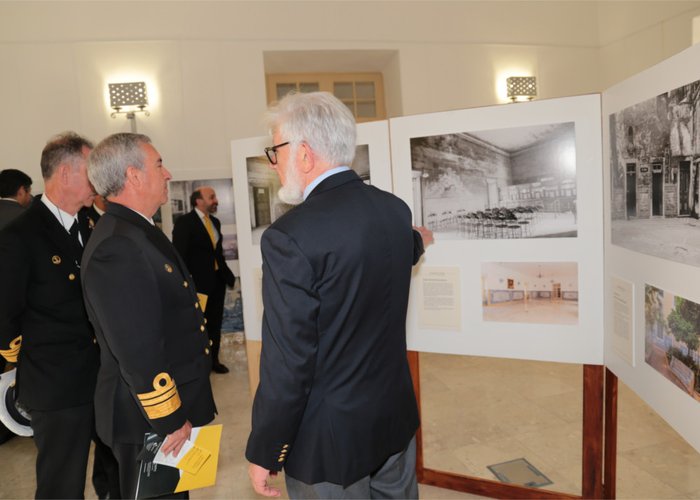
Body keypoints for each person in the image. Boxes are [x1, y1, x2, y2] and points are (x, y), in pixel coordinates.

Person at [246, 92, 432, 499]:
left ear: (305, 154)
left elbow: (288, 360)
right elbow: (382, 263)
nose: (273, 164)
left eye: (275, 151)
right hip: (393, 417)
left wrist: (266, 448)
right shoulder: (394, 211)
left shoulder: (289, 237)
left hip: (329, 440)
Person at [81, 133, 217, 499]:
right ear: (134, 175)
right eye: (159, 164)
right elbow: (137, 348)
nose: (168, 173)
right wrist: (171, 418)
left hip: (157, 413)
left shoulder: (137, 230)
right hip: (148, 417)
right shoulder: (118, 244)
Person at [0, 132, 100, 498]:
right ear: (65, 173)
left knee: (113, 476)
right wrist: (24, 365)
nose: (99, 181)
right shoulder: (20, 236)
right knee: (62, 486)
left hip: (101, 379)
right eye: (92, 171)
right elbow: (4, 316)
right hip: (56, 387)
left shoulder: (92, 225)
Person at [173, 186, 236, 374]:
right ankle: (199, 364)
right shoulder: (185, 223)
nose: (215, 200)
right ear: (198, 201)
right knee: (199, 325)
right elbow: (179, 255)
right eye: (211, 197)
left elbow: (217, 253)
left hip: (217, 281)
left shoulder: (214, 222)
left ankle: (213, 361)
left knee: (215, 323)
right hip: (198, 284)